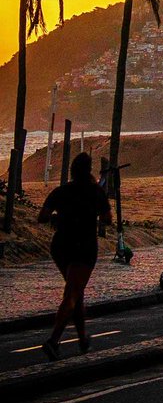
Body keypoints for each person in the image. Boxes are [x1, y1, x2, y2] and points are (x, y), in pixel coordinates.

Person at [37, 151, 112, 360]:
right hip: (84, 246)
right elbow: (108, 219)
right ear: (89, 170)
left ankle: (82, 338)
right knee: (72, 293)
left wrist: (57, 216)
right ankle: (54, 340)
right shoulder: (96, 192)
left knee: (75, 289)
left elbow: (42, 217)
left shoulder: (61, 191)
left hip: (61, 246)